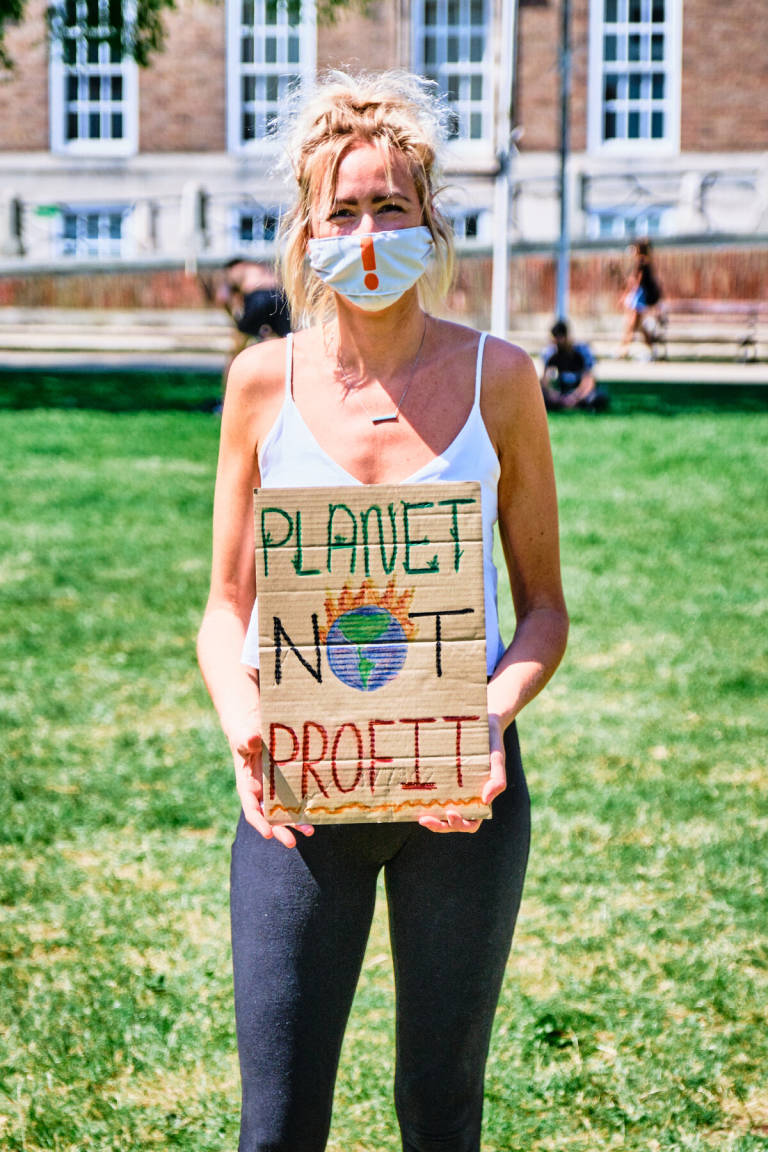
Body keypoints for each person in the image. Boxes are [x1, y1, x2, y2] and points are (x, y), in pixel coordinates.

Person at [197, 70, 569, 1152]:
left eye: (390, 207)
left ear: (429, 219)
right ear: (307, 229)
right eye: (342, 211)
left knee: (443, 1114)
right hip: (296, 802)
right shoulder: (261, 384)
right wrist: (243, 721)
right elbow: (225, 608)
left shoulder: (501, 378)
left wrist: (486, 718)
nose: (367, 233)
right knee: (276, 1128)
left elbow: (544, 611)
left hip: (465, 806)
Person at [540, 319, 609, 412]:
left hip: (581, 393)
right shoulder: (551, 353)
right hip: (562, 393)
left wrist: (575, 397)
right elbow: (544, 382)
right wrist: (555, 396)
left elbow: (589, 381)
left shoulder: (582, 351)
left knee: (597, 398)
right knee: (539, 398)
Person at [617, 237, 664, 358]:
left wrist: (626, 295)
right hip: (640, 297)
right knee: (638, 326)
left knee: (632, 325)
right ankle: (650, 351)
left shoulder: (642, 262)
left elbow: (637, 282)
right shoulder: (646, 262)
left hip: (639, 298)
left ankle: (623, 350)